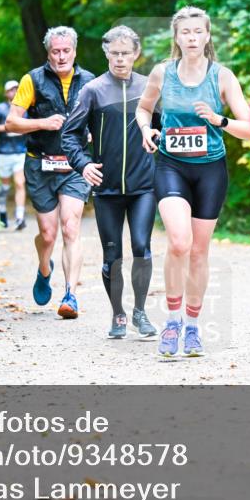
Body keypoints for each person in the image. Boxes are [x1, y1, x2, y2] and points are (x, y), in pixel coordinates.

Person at [135, 7, 250, 357]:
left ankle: (191, 326)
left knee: (199, 251)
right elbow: (143, 109)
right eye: (184, 32)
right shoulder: (162, 73)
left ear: (207, 36)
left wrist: (219, 119)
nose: (191, 37)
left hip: (210, 170)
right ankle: (171, 322)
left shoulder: (222, 77)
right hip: (171, 165)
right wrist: (147, 129)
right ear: (176, 37)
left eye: (197, 31)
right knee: (178, 242)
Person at [62, 25, 158, 340]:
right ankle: (118, 313)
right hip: (107, 188)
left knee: (142, 247)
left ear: (136, 54)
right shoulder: (93, 90)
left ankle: (140, 312)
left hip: (143, 185)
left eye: (125, 53)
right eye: (114, 53)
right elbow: (69, 134)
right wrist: (84, 164)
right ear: (106, 54)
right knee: (112, 254)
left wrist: (161, 137)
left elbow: (169, 127)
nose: (119, 59)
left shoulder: (150, 88)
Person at [5, 26, 95, 319]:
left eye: (66, 51)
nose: (61, 57)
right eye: (55, 51)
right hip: (40, 163)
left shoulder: (91, 82)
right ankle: (45, 269)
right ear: (48, 52)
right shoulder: (32, 80)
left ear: (75, 51)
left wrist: (94, 132)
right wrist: (43, 123)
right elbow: (11, 123)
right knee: (48, 233)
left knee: (71, 227)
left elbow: (102, 120)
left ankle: (71, 295)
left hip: (75, 165)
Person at [0, 80, 28, 230]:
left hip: (21, 151)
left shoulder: (26, 108)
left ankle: (19, 217)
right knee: (4, 185)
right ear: (6, 93)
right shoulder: (0, 109)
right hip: (4, 152)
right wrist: (5, 128)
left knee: (19, 183)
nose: (14, 92)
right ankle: (2, 209)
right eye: (11, 90)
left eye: (17, 89)